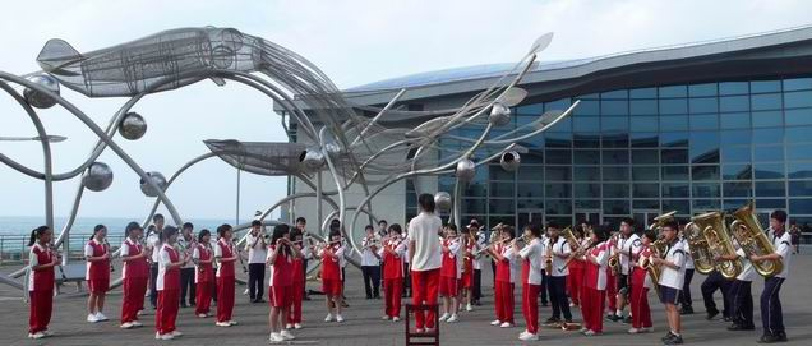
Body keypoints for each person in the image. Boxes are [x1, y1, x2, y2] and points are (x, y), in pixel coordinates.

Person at [750, 210, 792, 343]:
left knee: (765, 299)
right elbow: (767, 249)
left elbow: (779, 255)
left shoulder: (786, 236)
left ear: (782, 223)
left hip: (779, 273)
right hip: (771, 272)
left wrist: (759, 257)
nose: (771, 224)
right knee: (774, 302)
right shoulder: (772, 234)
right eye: (771, 221)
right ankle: (780, 332)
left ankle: (769, 332)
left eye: (774, 221)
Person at [409, 193, 443, 334]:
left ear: (420, 205)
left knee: (417, 296)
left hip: (418, 263)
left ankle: (419, 325)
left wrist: (410, 262)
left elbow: (412, 244)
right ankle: (430, 325)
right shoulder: (437, 220)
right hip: (434, 263)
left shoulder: (414, 221)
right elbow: (441, 235)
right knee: (432, 296)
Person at [716, 227, 756, 332]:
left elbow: (735, 256)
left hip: (745, 275)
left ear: (745, 232)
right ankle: (748, 322)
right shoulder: (748, 242)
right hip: (746, 274)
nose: (737, 234)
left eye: (739, 232)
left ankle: (738, 320)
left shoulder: (748, 243)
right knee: (746, 299)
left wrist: (721, 257)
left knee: (734, 296)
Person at [653, 221, 686, 345]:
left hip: (674, 281)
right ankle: (672, 331)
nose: (664, 233)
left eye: (667, 231)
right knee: (668, 307)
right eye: (664, 231)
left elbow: (677, 265)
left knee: (673, 308)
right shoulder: (670, 245)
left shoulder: (679, 247)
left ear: (674, 232)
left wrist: (660, 260)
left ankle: (677, 334)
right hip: (666, 280)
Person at [268, 224, 299, 344]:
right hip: (276, 282)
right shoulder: (272, 247)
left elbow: (298, 255)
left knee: (286, 307)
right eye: (286, 233)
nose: (288, 235)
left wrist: (291, 244)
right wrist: (277, 246)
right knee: (276, 307)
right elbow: (271, 261)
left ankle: (284, 330)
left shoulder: (288, 249)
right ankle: (273, 333)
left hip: (287, 281)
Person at [155, 226, 186, 341]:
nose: (176, 236)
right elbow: (167, 265)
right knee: (165, 307)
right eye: (174, 234)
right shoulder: (164, 249)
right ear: (169, 236)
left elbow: (176, 263)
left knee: (173, 306)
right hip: (165, 282)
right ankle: (162, 330)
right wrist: (181, 263)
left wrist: (182, 260)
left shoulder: (173, 248)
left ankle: (170, 327)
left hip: (174, 280)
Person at [27, 226, 57, 339]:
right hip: (37, 282)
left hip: (48, 280)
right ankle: (34, 329)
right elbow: (34, 266)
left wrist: (55, 259)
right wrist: (50, 264)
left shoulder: (49, 248)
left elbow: (53, 262)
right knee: (37, 307)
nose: (50, 237)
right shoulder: (35, 248)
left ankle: (43, 327)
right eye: (47, 234)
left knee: (46, 306)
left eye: (50, 234)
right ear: (40, 235)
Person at [516, 224, 543, 341]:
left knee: (531, 305)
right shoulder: (531, 243)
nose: (525, 232)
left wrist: (513, 245)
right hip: (528, 278)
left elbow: (521, 255)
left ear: (532, 232)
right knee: (526, 305)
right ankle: (529, 328)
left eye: (527, 230)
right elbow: (522, 252)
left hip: (532, 278)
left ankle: (533, 331)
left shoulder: (535, 244)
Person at [120, 222, 149, 329]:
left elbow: (143, 256)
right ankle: (126, 319)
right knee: (129, 297)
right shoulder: (126, 243)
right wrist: (139, 255)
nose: (139, 232)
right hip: (130, 274)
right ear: (132, 231)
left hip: (140, 272)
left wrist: (146, 254)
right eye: (137, 230)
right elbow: (124, 258)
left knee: (138, 296)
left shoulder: (138, 243)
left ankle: (133, 317)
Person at [582, 227, 608, 336]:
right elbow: (584, 259)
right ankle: (589, 325)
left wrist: (588, 255)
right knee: (587, 304)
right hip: (589, 278)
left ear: (597, 235)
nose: (590, 236)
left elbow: (599, 262)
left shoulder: (604, 247)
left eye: (592, 233)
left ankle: (596, 328)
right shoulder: (592, 246)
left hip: (598, 280)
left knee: (597, 305)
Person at [545, 221, 573, 325]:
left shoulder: (563, 241)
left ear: (557, 231)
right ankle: (555, 315)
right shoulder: (546, 241)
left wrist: (555, 254)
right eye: (549, 230)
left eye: (553, 230)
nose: (551, 232)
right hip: (550, 271)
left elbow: (567, 255)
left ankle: (567, 316)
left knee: (561, 295)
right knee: (552, 295)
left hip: (560, 272)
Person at [490, 225, 517, 328]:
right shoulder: (503, 246)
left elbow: (504, 259)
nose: (503, 236)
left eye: (505, 234)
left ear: (510, 236)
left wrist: (494, 251)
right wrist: (489, 251)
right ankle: (500, 317)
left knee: (507, 298)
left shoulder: (511, 247)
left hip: (508, 275)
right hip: (499, 274)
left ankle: (509, 319)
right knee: (498, 297)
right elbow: (496, 259)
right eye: (502, 234)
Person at [628, 229, 654, 334]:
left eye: (643, 237)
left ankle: (637, 325)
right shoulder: (643, 249)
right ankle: (647, 324)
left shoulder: (650, 249)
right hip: (638, 276)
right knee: (642, 302)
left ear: (649, 239)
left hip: (643, 277)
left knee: (637, 302)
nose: (641, 239)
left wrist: (634, 264)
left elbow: (645, 264)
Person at [616, 218, 640, 324]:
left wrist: (622, 251)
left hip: (631, 269)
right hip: (622, 269)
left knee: (631, 293)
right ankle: (619, 314)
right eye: (621, 226)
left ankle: (631, 314)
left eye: (625, 226)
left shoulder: (636, 239)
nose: (622, 228)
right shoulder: (621, 239)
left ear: (631, 227)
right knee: (620, 292)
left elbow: (637, 254)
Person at [85, 224, 111, 323]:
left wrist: (108, 256)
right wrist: (102, 257)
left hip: (104, 270)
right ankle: (90, 314)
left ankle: (99, 312)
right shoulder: (90, 244)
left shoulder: (105, 244)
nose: (104, 233)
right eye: (102, 231)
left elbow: (107, 256)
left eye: (105, 231)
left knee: (102, 292)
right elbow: (88, 258)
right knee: (94, 292)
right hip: (94, 271)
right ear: (96, 232)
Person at [381, 224, 406, 321]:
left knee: (396, 294)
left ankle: (396, 314)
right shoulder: (387, 243)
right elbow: (380, 256)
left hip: (397, 272)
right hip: (387, 271)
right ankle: (388, 313)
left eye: (395, 231)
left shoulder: (401, 243)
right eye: (391, 232)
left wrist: (385, 246)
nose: (393, 233)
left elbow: (395, 252)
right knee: (387, 294)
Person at [214, 224, 238, 327]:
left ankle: (228, 316)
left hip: (230, 272)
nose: (231, 233)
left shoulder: (230, 244)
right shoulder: (219, 244)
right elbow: (218, 259)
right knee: (223, 297)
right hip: (222, 273)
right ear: (224, 232)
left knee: (230, 296)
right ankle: (221, 318)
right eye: (229, 231)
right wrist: (231, 259)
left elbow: (234, 255)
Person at [320, 229, 346, 323]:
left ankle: (339, 314)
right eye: (334, 236)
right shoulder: (326, 246)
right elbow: (319, 256)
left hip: (336, 274)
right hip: (326, 274)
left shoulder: (340, 247)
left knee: (337, 295)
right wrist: (313, 250)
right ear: (330, 237)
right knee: (328, 295)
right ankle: (329, 314)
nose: (336, 237)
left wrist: (325, 249)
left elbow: (335, 256)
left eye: (338, 236)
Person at [287, 227, 310, 329]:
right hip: (288, 277)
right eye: (297, 237)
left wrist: (294, 244)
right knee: (288, 300)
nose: (299, 239)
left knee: (297, 300)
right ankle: (288, 320)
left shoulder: (303, 246)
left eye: (300, 237)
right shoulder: (286, 247)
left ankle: (297, 320)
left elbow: (299, 255)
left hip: (298, 276)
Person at [439, 225, 461, 323]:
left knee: (453, 294)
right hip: (443, 270)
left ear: (456, 233)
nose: (450, 234)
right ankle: (446, 313)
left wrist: (438, 243)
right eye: (449, 232)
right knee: (444, 293)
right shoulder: (444, 241)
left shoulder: (457, 242)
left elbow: (446, 250)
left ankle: (454, 314)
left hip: (452, 271)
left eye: (453, 232)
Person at [192, 229, 214, 318]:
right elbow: (195, 260)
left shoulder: (209, 246)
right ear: (202, 236)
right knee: (202, 292)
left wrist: (211, 258)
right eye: (206, 235)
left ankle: (206, 308)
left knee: (209, 291)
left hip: (209, 271)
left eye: (209, 235)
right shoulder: (198, 247)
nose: (208, 237)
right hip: (202, 272)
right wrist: (207, 261)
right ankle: (200, 310)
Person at [245, 220, 268, 303]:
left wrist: (262, 238)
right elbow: (252, 246)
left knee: (261, 279)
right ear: (253, 227)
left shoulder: (263, 236)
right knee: (252, 280)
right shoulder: (249, 236)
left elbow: (265, 247)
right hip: (253, 261)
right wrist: (258, 237)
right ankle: (252, 297)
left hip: (262, 260)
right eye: (256, 227)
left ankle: (260, 297)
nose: (257, 229)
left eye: (259, 227)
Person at [146, 214, 165, 310]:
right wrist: (150, 259)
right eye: (159, 221)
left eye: (162, 221)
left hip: (164, 260)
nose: (161, 223)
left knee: (163, 281)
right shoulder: (152, 234)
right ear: (155, 222)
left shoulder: (165, 232)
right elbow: (152, 245)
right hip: (156, 260)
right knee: (155, 281)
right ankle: (154, 301)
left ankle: (162, 300)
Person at [178, 222, 197, 308]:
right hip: (183, 264)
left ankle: (192, 300)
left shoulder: (194, 239)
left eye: (191, 230)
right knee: (183, 284)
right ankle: (182, 301)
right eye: (188, 230)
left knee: (193, 284)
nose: (189, 232)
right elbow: (183, 248)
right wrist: (192, 242)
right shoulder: (179, 239)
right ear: (184, 230)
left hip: (192, 264)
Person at [361, 225, 382, 300]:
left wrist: (373, 242)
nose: (369, 232)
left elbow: (378, 247)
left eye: (370, 230)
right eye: (367, 231)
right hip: (365, 263)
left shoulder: (378, 238)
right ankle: (368, 294)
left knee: (376, 279)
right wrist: (367, 240)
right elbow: (363, 247)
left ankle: (376, 293)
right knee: (366, 280)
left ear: (373, 231)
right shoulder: (364, 239)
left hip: (375, 262)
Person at [459, 226, 477, 312]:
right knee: (460, 287)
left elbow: (475, 255)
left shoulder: (472, 242)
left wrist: (467, 254)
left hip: (469, 266)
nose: (464, 237)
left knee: (468, 286)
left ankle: (468, 304)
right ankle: (460, 303)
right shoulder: (458, 243)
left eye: (465, 235)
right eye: (462, 235)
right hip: (460, 267)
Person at [679, 224, 695, 315]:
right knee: (682, 286)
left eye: (681, 230)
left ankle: (688, 306)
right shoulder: (682, 240)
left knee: (684, 285)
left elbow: (691, 253)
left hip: (689, 266)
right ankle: (685, 305)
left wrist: (684, 251)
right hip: (683, 266)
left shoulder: (689, 241)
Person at [294, 217, 312, 301]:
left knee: (303, 276)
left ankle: (302, 292)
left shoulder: (306, 233)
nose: (302, 226)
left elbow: (310, 242)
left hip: (305, 256)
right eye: (300, 224)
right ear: (296, 224)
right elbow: (297, 244)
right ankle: (297, 293)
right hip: (297, 257)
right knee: (297, 276)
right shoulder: (294, 233)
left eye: (303, 224)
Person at [605, 229, 619, 321]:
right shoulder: (607, 243)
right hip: (609, 268)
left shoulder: (621, 243)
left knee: (617, 290)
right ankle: (611, 309)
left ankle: (618, 310)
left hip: (618, 268)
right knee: (610, 289)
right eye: (613, 236)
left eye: (616, 236)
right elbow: (608, 255)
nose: (614, 238)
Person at [470, 221, 485, 305]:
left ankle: (477, 298)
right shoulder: (468, 238)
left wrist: (475, 242)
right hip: (469, 263)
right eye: (471, 230)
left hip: (477, 263)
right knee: (470, 281)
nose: (473, 232)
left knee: (477, 281)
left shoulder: (481, 237)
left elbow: (482, 249)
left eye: (475, 230)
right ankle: (471, 297)